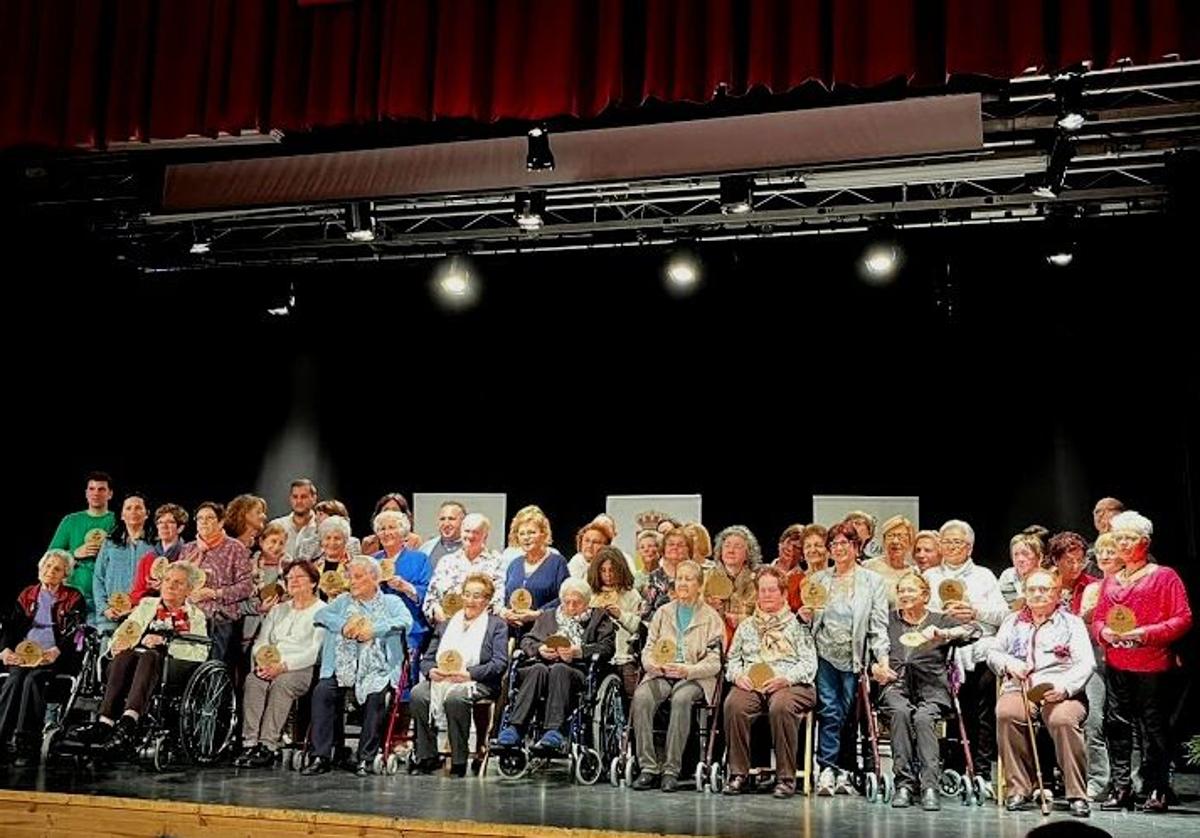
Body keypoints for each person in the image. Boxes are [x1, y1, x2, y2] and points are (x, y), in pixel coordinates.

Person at [1092, 511, 1192, 813]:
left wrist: (1145, 634)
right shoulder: (1111, 580)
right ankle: (1122, 788)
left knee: (1153, 729)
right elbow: (1098, 619)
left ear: (1145, 542)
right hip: (1117, 662)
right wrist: (1105, 633)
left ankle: (1157, 789)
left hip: (1152, 665)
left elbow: (1183, 618)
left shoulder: (1164, 576)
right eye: (1118, 538)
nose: (1122, 544)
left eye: (1129, 538)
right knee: (1117, 726)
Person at [990, 568, 1095, 817]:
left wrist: (1065, 687)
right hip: (1021, 687)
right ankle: (1019, 789)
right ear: (1024, 593)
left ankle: (1076, 794)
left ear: (1057, 593)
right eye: (1032, 589)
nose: (1037, 594)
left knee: (1062, 720)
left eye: (1044, 589)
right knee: (1007, 712)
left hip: (1061, 690)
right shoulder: (1012, 621)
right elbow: (994, 652)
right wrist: (1008, 664)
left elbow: (1086, 663)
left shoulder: (1072, 623)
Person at [74, 563, 209, 756]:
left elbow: (200, 652)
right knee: (124, 656)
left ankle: (130, 720)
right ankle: (105, 722)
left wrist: (164, 642)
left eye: (178, 583)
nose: (170, 586)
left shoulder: (196, 616)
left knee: (149, 655)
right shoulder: (147, 605)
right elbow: (127, 629)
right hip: (138, 658)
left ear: (188, 590)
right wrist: (119, 643)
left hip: (173, 664)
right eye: (168, 580)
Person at [872, 571, 978, 810]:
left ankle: (930, 785)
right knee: (899, 713)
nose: (905, 595)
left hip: (932, 688)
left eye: (911, 590)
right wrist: (875, 668)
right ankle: (904, 785)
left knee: (922, 719)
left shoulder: (939, 620)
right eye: (901, 591)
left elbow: (974, 631)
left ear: (926, 595)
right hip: (895, 685)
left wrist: (945, 634)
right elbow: (871, 652)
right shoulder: (888, 620)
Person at [304, 557, 413, 776]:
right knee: (322, 692)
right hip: (343, 667)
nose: (351, 582)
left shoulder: (391, 603)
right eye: (350, 576)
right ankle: (320, 756)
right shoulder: (344, 601)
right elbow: (321, 615)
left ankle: (366, 757)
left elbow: (405, 621)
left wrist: (376, 629)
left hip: (378, 668)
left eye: (358, 576)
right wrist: (343, 626)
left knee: (376, 695)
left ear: (374, 578)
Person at [722, 566, 818, 798]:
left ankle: (786, 778)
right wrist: (737, 676)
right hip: (753, 683)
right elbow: (732, 659)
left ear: (784, 594)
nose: (766, 595)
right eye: (762, 590)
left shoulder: (797, 625)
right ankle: (739, 774)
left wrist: (786, 679)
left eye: (772, 590)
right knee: (734, 704)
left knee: (781, 706)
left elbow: (809, 663)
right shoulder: (746, 627)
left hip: (791, 684)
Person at [629, 560, 724, 792]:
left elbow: (714, 662)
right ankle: (648, 767)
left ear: (699, 585)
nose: (682, 583)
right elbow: (648, 649)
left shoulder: (711, 618)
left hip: (694, 677)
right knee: (641, 697)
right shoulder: (663, 613)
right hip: (662, 673)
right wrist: (654, 667)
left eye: (689, 579)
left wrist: (688, 671)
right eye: (680, 578)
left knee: (682, 699)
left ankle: (672, 770)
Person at [495, 577, 615, 752]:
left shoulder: (598, 618)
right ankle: (515, 728)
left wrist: (579, 652)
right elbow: (527, 640)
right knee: (537, 669)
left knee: (559, 669)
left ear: (587, 603)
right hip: (542, 666)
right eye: (567, 602)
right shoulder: (548, 616)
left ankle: (554, 731)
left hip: (576, 671)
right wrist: (540, 649)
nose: (571, 607)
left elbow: (607, 647)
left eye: (577, 603)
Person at [410, 572, 508, 777]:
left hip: (478, 681)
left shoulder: (496, 625)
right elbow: (427, 659)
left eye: (477, 596)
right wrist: (431, 671)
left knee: (456, 698)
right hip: (442, 679)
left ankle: (459, 759)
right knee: (419, 693)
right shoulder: (446, 624)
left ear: (487, 600)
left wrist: (469, 674)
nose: (470, 600)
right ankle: (427, 756)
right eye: (467, 594)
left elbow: (499, 663)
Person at [234, 560, 325, 768]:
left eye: (299, 577)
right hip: (271, 664)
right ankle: (250, 742)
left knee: (282, 684)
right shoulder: (278, 610)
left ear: (313, 582)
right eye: (289, 578)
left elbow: (314, 652)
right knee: (254, 681)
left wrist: (283, 666)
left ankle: (268, 744)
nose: (293, 581)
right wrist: (263, 662)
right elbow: (262, 641)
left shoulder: (321, 611)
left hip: (300, 668)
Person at [0, 550, 86, 764]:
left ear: (65, 573)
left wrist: (57, 651)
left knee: (33, 680)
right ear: (40, 570)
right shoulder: (28, 594)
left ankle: (26, 744)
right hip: (24, 654)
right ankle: (1, 739)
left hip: (55, 656)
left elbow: (77, 633)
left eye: (57, 568)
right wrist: (4, 650)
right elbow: (10, 627)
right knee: (15, 678)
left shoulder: (74, 597)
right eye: (47, 567)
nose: (50, 571)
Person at [48, 471, 116, 621]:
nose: (96, 493)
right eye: (91, 489)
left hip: (108, 598)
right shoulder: (71, 520)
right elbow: (50, 557)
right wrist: (74, 553)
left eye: (101, 489)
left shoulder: (118, 521)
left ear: (110, 494)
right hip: (73, 595)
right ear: (86, 493)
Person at [270, 478, 320, 562]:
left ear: (314, 499)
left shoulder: (322, 529)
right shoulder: (276, 525)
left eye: (303, 497)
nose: (299, 501)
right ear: (290, 499)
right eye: (295, 497)